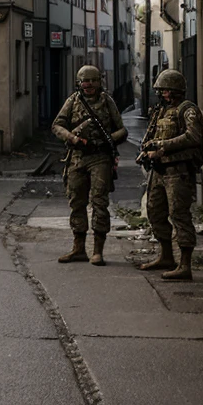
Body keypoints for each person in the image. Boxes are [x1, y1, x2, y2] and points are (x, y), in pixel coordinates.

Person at [51, 64, 127, 266]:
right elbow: (57, 125)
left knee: (99, 202)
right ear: (79, 83)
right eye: (85, 81)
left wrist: (107, 141)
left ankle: (97, 251)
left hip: (100, 158)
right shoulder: (73, 101)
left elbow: (122, 130)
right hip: (76, 158)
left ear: (99, 82)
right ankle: (78, 248)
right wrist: (71, 138)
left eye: (93, 80)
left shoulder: (106, 101)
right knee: (76, 201)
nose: (89, 85)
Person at [137, 69, 203, 281]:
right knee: (155, 212)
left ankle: (185, 265)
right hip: (159, 170)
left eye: (166, 90)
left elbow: (194, 136)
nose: (163, 94)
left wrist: (162, 146)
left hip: (178, 171)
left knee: (179, 214)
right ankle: (166, 256)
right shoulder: (161, 111)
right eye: (161, 91)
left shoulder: (188, 109)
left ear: (176, 90)